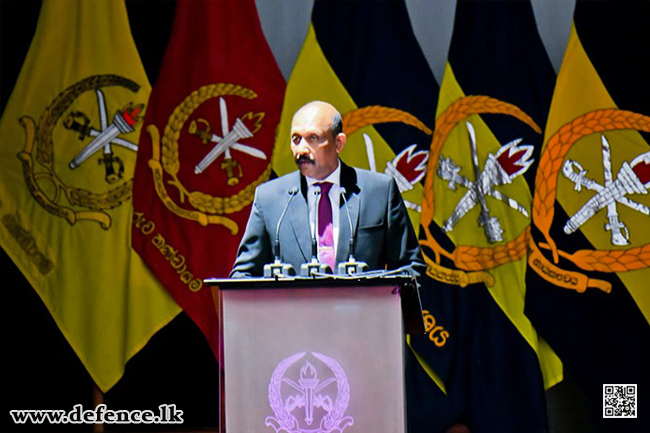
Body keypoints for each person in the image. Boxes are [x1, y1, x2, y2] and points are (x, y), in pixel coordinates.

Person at [229, 100, 424, 278]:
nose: (302, 149)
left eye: (313, 138)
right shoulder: (270, 198)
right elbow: (243, 275)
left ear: (338, 143)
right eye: (296, 139)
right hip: (293, 316)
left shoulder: (379, 192)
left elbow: (410, 268)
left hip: (361, 315)